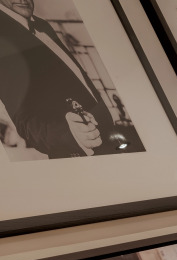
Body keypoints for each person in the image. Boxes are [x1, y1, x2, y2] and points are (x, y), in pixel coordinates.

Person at [0, 0, 127, 158]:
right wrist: (70, 135)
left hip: (107, 135)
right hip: (78, 154)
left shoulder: (41, 24)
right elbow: (26, 123)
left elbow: (76, 77)